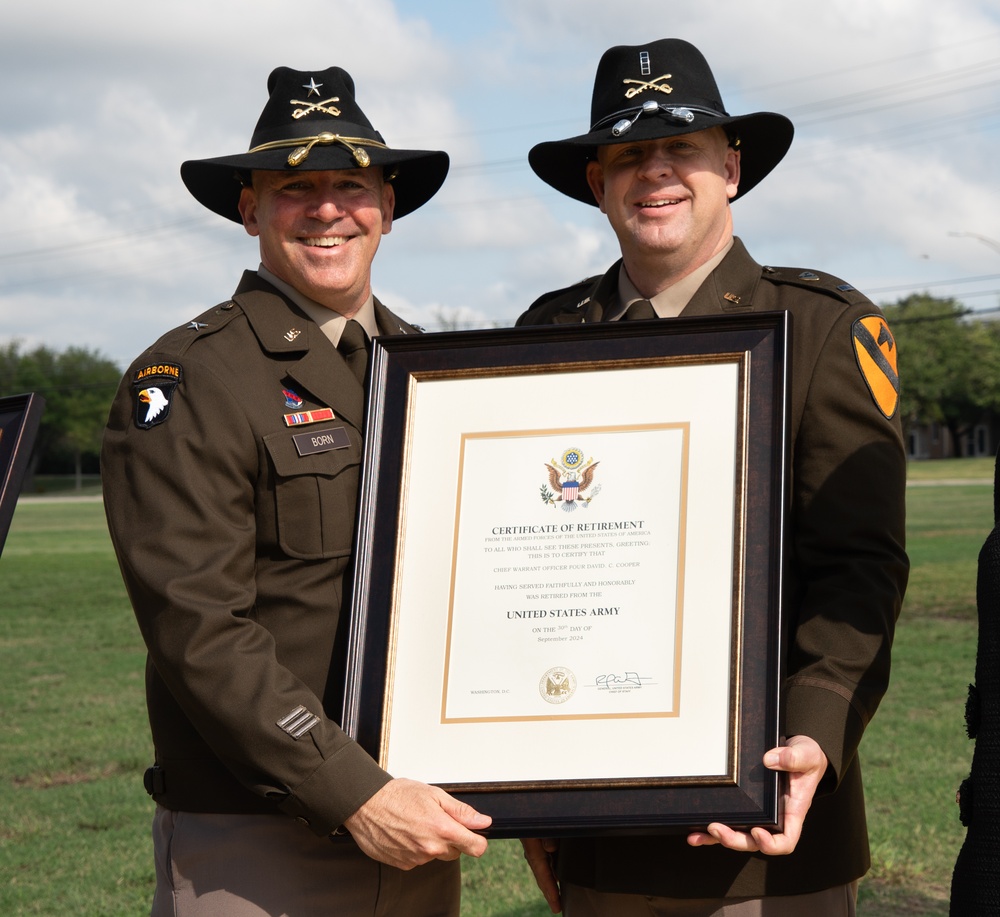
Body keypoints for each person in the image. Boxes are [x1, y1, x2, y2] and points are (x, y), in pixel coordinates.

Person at [517, 38, 909, 916]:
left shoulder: (820, 327)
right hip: (597, 827)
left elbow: (860, 565)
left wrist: (814, 730)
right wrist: (516, 775)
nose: (654, 173)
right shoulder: (546, 332)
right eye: (626, 155)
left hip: (769, 832)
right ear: (596, 183)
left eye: (681, 148)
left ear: (730, 167)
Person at [102, 65, 491, 917]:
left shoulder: (436, 372)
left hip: (417, 825)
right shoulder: (192, 375)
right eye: (295, 188)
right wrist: (351, 789)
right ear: (249, 209)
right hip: (262, 839)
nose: (326, 209)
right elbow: (197, 625)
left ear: (387, 207)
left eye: (350, 184)